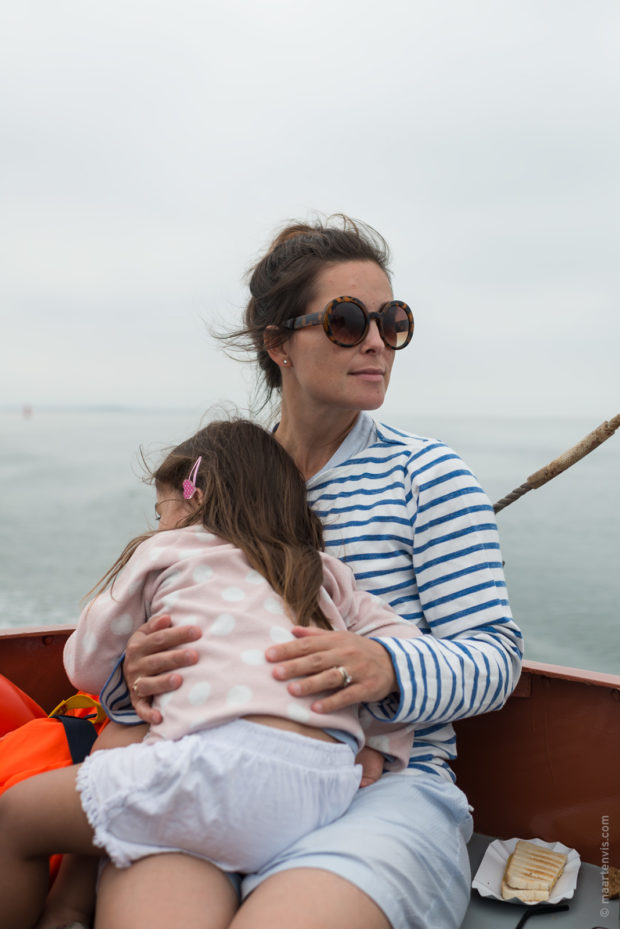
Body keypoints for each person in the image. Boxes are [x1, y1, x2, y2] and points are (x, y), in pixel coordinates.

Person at [98, 215, 524, 929]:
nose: (376, 342)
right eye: (347, 320)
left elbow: (494, 659)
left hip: (381, 790)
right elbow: (150, 627)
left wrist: (383, 666)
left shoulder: (430, 477)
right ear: (278, 345)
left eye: (393, 321)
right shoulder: (220, 479)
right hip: (207, 766)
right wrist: (132, 671)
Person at [0, 419, 420, 929]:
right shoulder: (324, 571)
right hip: (321, 791)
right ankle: (68, 910)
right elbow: (404, 657)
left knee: (15, 817)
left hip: (211, 775)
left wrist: (125, 655)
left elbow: (83, 665)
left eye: (160, 511)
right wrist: (381, 743)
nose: (158, 525)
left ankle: (62, 912)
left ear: (191, 499)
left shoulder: (166, 549)